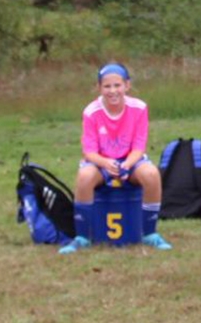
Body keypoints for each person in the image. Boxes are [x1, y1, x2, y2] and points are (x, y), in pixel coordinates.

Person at [59, 63, 171, 254]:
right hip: (100, 163)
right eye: (107, 86)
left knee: (152, 174)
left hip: (131, 161)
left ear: (127, 85)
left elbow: (138, 146)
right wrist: (105, 163)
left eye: (117, 85)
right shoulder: (91, 112)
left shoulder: (139, 108)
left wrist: (127, 164)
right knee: (84, 176)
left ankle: (149, 233)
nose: (113, 91)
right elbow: (89, 151)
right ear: (99, 88)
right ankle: (82, 237)